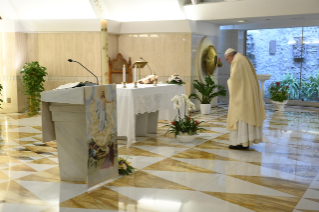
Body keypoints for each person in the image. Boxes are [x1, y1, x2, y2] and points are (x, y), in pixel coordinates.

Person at [224, 48, 266, 149]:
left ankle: (241, 142)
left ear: (231, 56)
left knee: (240, 116)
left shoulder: (237, 60)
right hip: (246, 93)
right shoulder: (243, 58)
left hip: (242, 95)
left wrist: (229, 82)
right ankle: (245, 141)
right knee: (246, 116)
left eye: (227, 59)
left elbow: (235, 79)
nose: (228, 62)